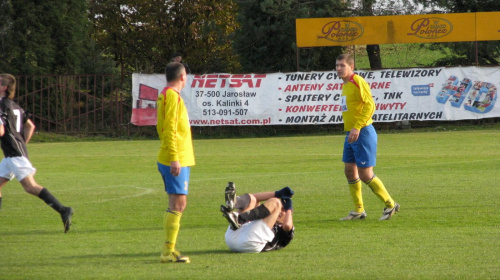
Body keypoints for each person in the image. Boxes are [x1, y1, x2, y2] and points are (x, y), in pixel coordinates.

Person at [0, 74, 73, 232]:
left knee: (30, 187)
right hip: (12, 154)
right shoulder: (15, 106)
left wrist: (17, 147)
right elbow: (30, 126)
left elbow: (1, 130)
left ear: (4, 88)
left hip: (15, 155)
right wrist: (21, 144)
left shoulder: (1, 105)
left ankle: (63, 210)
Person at [335, 54, 400, 221]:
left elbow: (370, 105)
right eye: (337, 65)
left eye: (342, 65)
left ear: (351, 67)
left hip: (362, 132)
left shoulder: (357, 81)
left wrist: (357, 127)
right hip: (351, 133)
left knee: (365, 173)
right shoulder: (345, 85)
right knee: (350, 171)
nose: (339, 68)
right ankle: (359, 210)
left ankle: (390, 204)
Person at [157, 62, 195, 263]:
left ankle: (168, 249)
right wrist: (174, 157)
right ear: (182, 77)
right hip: (175, 159)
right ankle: (167, 251)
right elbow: (169, 129)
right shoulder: (171, 96)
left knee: (177, 204)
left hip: (176, 158)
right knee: (178, 205)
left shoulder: (167, 95)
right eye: (186, 75)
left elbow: (161, 127)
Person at [220, 182, 294, 253]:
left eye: (283, 210)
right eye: (281, 209)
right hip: (232, 238)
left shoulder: (284, 228)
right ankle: (233, 204)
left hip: (252, 242)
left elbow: (287, 225)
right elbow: (255, 197)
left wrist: (289, 209)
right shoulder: (266, 217)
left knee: (276, 202)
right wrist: (278, 193)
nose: (280, 212)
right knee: (253, 199)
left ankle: (239, 219)